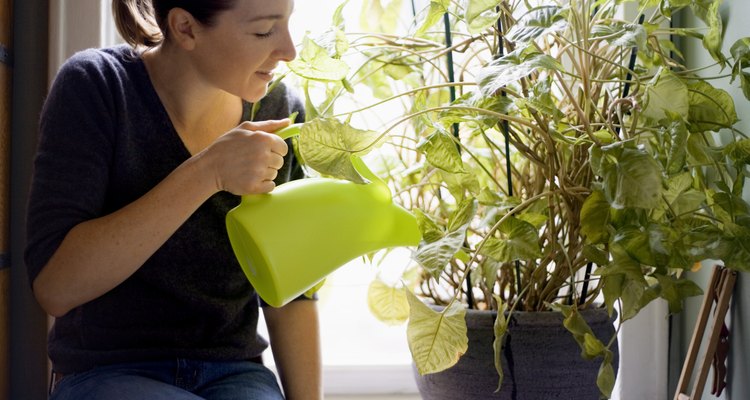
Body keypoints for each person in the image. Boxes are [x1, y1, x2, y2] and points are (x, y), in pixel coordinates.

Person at [24, 0, 321, 399]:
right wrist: (207, 173)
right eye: (264, 31)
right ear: (186, 28)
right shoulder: (98, 85)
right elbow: (55, 288)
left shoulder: (280, 110)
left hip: (235, 372)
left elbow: (291, 291)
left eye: (288, 24)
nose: (289, 50)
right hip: (107, 371)